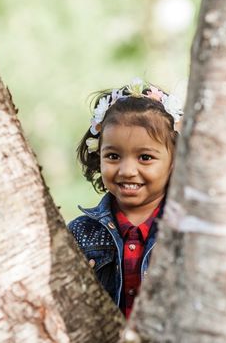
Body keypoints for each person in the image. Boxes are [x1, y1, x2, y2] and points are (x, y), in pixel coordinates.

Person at [68, 78, 183, 319]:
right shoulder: (80, 233)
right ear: (98, 156)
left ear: (174, 162)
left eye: (145, 157)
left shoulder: (188, 231)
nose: (127, 170)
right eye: (113, 156)